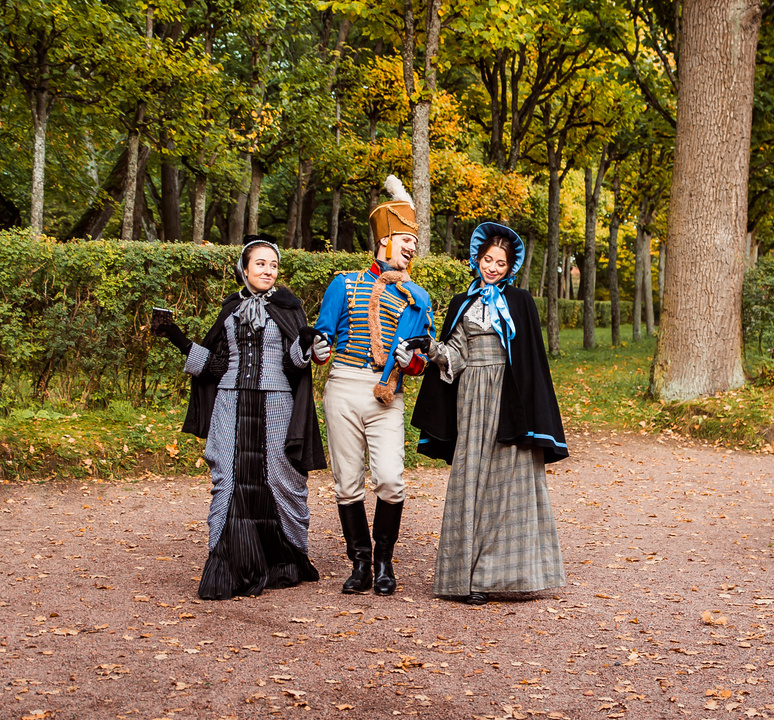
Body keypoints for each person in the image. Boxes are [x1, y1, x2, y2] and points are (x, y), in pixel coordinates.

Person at [153, 234, 326, 600]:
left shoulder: (289, 307)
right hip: (230, 402)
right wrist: (176, 336)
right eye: (260, 263)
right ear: (244, 269)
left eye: (273, 265)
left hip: (277, 402)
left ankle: (285, 560)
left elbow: (294, 364)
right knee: (228, 478)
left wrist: (305, 342)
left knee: (280, 476)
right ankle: (227, 565)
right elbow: (216, 365)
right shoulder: (230, 308)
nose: (268, 270)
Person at [412, 222, 568, 605]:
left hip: (510, 398)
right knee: (471, 479)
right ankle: (466, 577)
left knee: (509, 483)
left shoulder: (521, 301)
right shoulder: (462, 304)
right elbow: (456, 355)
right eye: (488, 260)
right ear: (477, 259)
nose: (493, 267)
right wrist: (430, 348)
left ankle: (499, 574)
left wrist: (532, 416)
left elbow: (531, 361)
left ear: (510, 267)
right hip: (471, 396)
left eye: (500, 262)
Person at [313, 176, 434, 595]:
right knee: (347, 481)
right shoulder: (344, 283)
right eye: (406, 240)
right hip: (344, 386)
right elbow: (323, 337)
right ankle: (361, 563)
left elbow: (421, 360)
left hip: (387, 393)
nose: (412, 248)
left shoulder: (417, 297)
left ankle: (385, 561)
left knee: (390, 479)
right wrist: (319, 348)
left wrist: (410, 361)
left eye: (414, 242)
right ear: (385, 240)